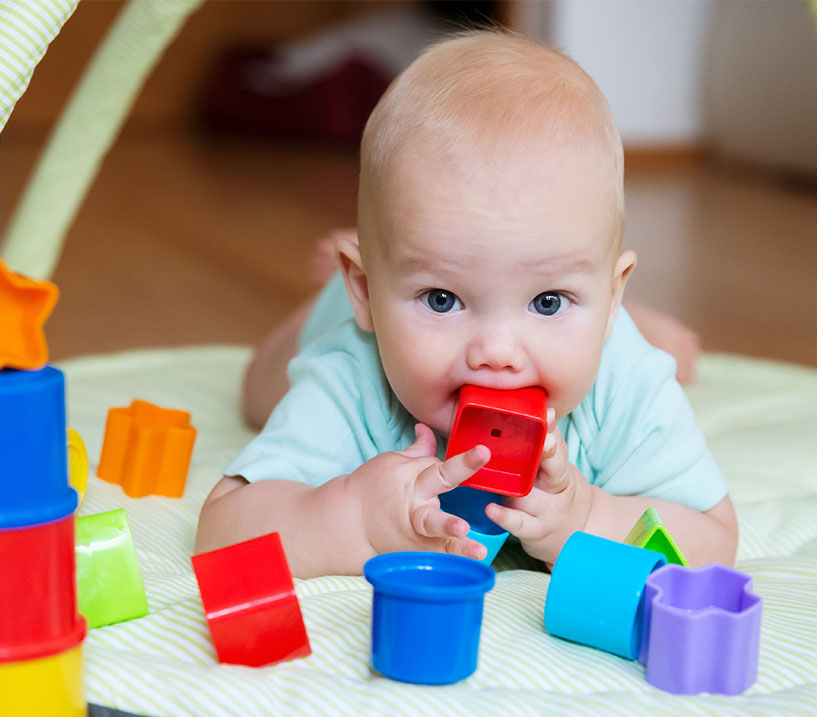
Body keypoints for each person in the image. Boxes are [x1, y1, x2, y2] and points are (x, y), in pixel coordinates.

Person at [195, 30, 737, 578]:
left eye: (549, 301)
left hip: (585, 317)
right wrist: (356, 518)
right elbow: (223, 528)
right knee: (259, 390)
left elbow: (712, 537)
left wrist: (590, 518)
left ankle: (587, 307)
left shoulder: (624, 383)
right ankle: (333, 295)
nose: (497, 352)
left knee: (668, 356)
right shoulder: (353, 377)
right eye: (442, 298)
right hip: (343, 317)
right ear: (366, 290)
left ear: (612, 295)